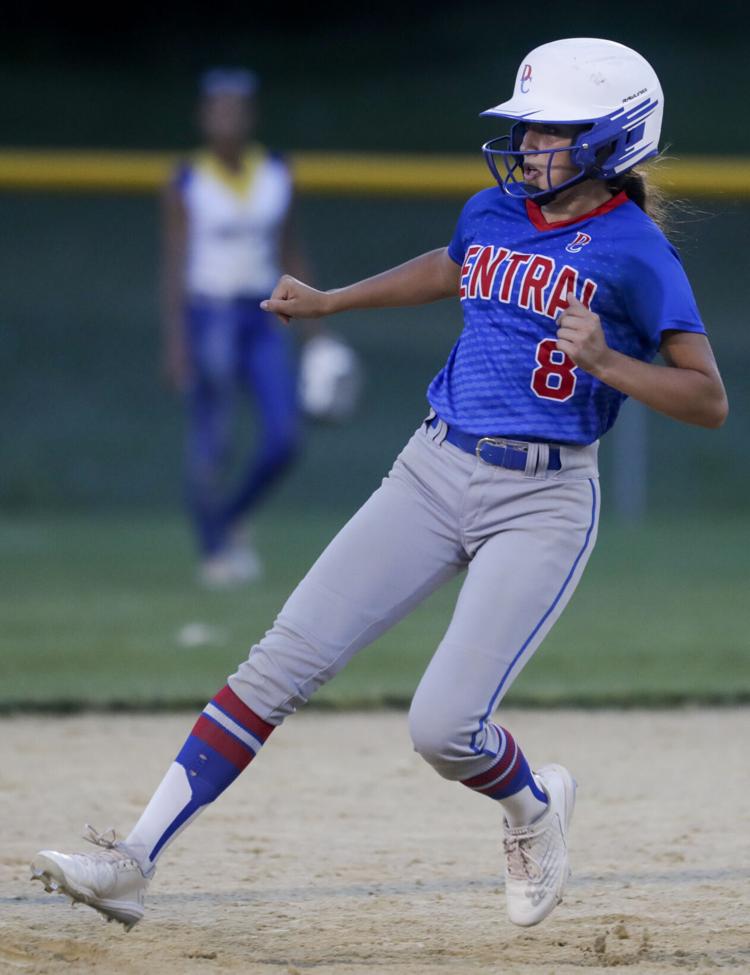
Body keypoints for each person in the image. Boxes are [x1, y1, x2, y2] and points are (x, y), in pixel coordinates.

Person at [32, 38, 727, 930]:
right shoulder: (494, 209)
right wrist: (330, 301)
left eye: (551, 131)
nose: (529, 145)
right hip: (434, 466)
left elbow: (707, 399)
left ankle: (533, 807)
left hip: (544, 499)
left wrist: (608, 361)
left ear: (612, 140)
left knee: (441, 728)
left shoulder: (636, 252)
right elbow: (450, 266)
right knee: (280, 659)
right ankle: (133, 859)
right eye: (527, 128)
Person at [162, 68, 308, 587]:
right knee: (213, 439)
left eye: (236, 109)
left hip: (264, 315)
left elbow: (290, 250)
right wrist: (177, 342)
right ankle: (213, 550)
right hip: (210, 314)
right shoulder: (186, 177)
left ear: (250, 116)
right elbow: (175, 264)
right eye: (217, 109)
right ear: (203, 117)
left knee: (284, 436)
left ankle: (230, 518)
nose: (227, 119)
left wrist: (318, 327)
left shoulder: (275, 170)